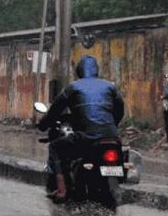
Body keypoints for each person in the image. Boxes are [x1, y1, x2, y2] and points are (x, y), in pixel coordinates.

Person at [38, 56, 124, 200]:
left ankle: (61, 190)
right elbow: (120, 110)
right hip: (112, 137)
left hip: (87, 137)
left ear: (79, 71)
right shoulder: (110, 86)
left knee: (55, 147)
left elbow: (54, 111)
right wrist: (112, 126)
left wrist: (42, 125)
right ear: (96, 70)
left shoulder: (73, 87)